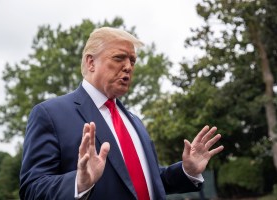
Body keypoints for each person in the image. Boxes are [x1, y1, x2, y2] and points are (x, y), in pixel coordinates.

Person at [19, 27, 224, 200]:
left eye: (132, 61)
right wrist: (78, 183)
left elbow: (146, 180)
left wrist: (187, 170)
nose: (128, 67)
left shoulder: (134, 121)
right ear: (90, 62)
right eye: (119, 58)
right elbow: (31, 188)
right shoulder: (49, 114)